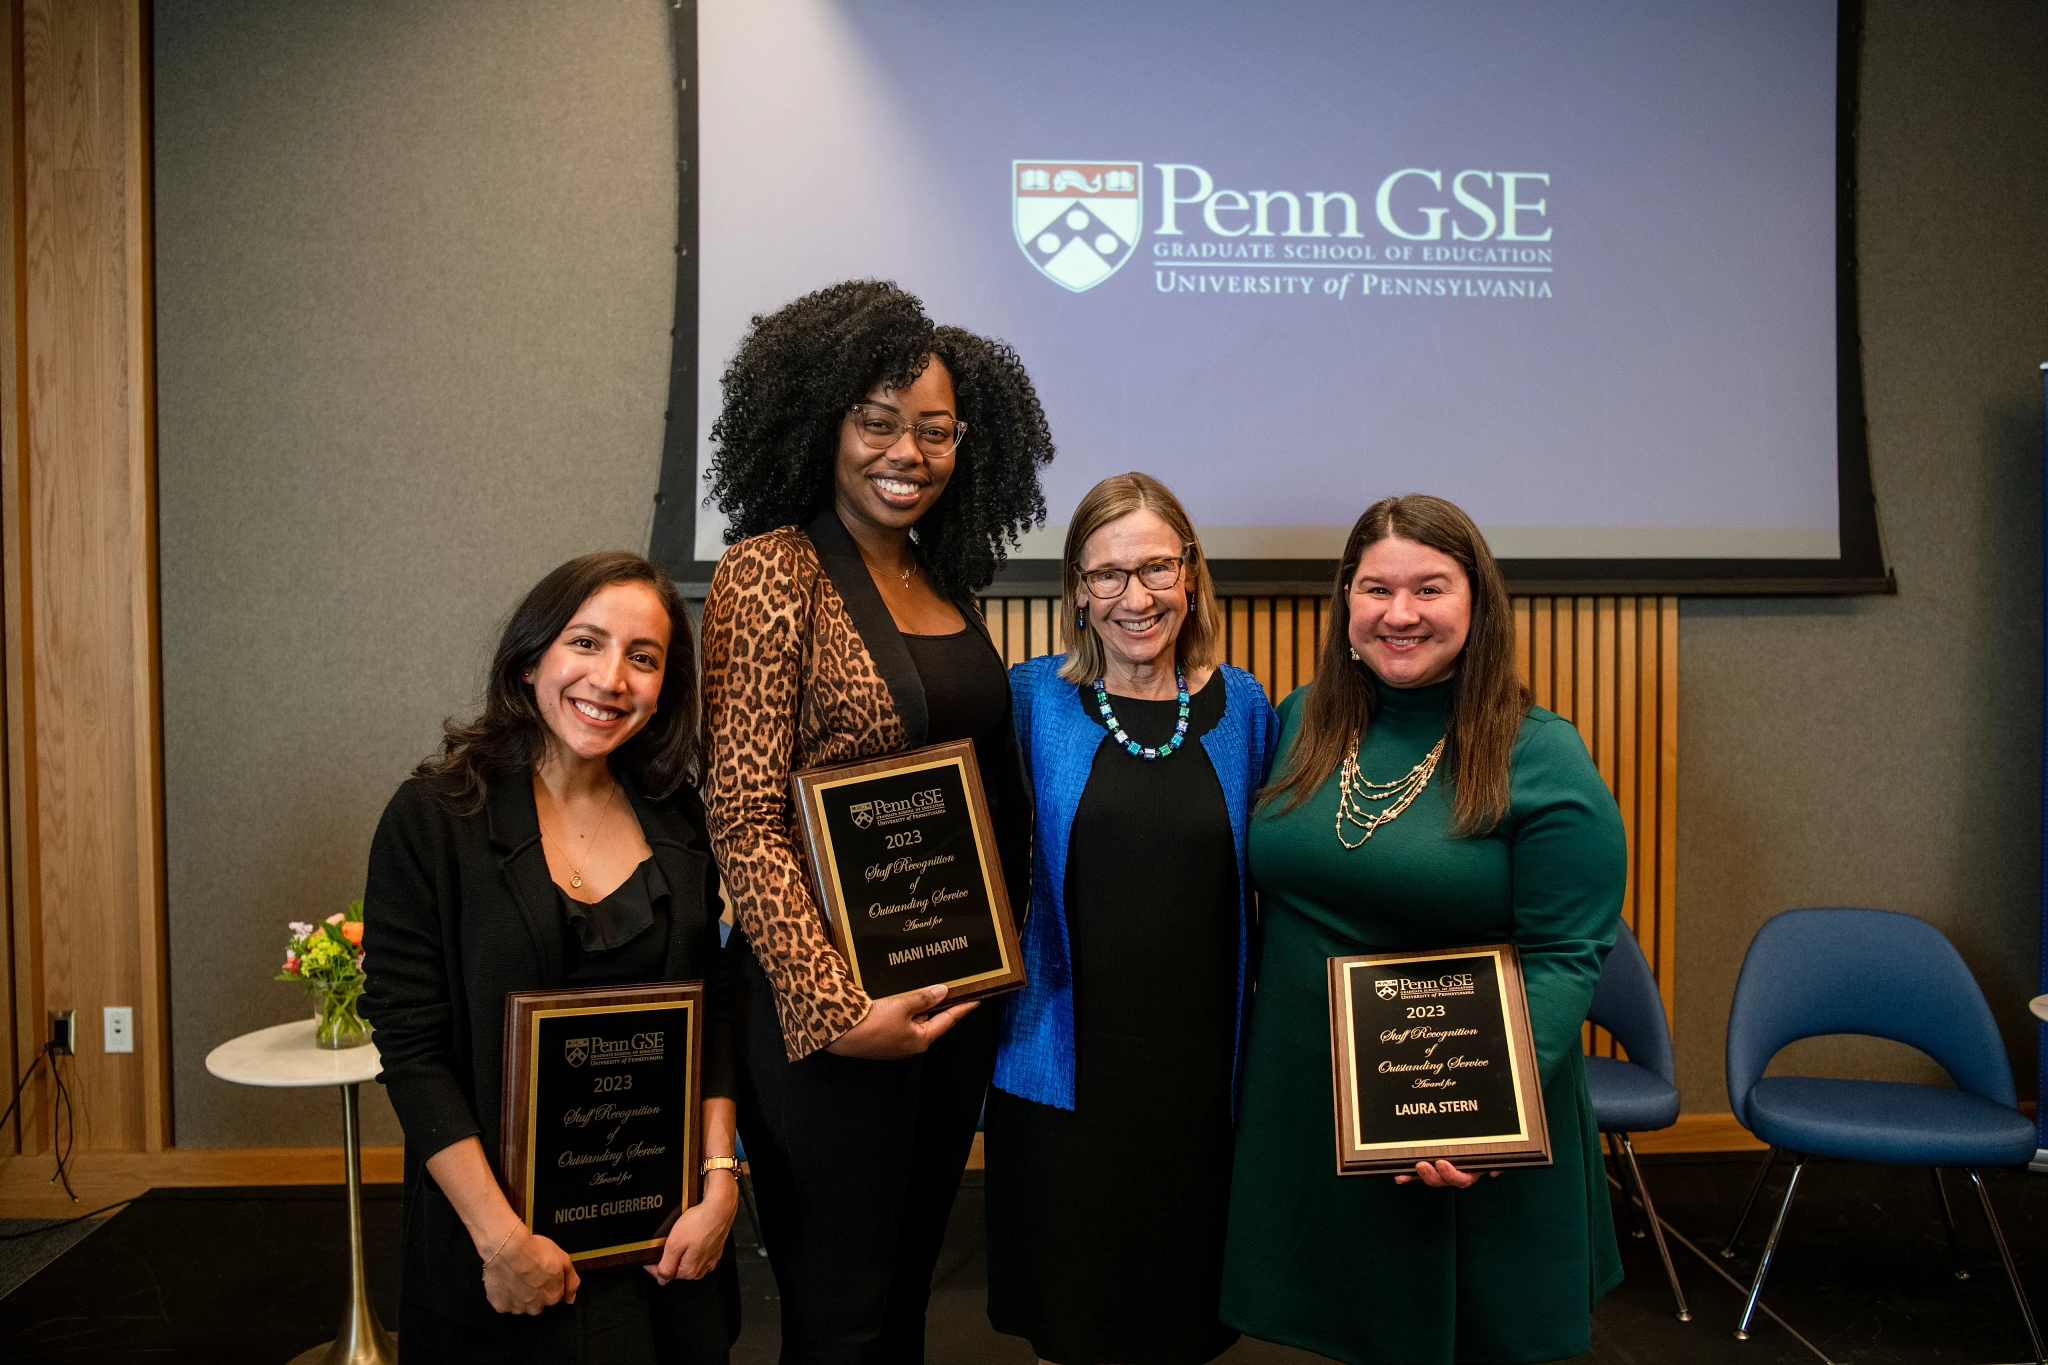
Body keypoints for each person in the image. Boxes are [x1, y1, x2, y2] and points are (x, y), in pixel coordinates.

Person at [698, 279, 1053, 1363]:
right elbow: (744, 811)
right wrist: (836, 1004)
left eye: (936, 431)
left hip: (945, 999)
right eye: (879, 421)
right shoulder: (770, 573)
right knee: (838, 1315)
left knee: (905, 1297)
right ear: (823, 422)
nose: (908, 451)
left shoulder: (944, 578)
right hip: (834, 1018)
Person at [1221, 495, 1626, 1365]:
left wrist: (1486, 1114)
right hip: (1308, 1106)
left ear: (1477, 601)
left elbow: (1565, 954)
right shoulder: (1299, 721)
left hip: (1456, 1113)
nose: (1399, 614)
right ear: (1345, 603)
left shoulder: (1539, 752)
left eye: (1429, 588)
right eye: (1375, 589)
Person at [362, 552, 740, 1364]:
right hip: (505, 1248)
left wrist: (720, 1184)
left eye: (644, 658)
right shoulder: (432, 819)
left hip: (664, 1247)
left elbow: (715, 1010)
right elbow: (414, 1053)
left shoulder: (678, 815)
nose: (611, 678)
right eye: (587, 642)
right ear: (532, 657)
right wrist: (501, 1243)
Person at [986, 473, 1278, 1365]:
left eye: (1156, 567)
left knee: (1184, 1321)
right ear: (1075, 586)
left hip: (1197, 1080)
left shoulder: (1247, 707)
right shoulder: (1031, 697)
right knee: (1068, 1322)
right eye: (1107, 574)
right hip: (1065, 1064)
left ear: (1191, 573)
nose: (1135, 596)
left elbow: (1271, 884)